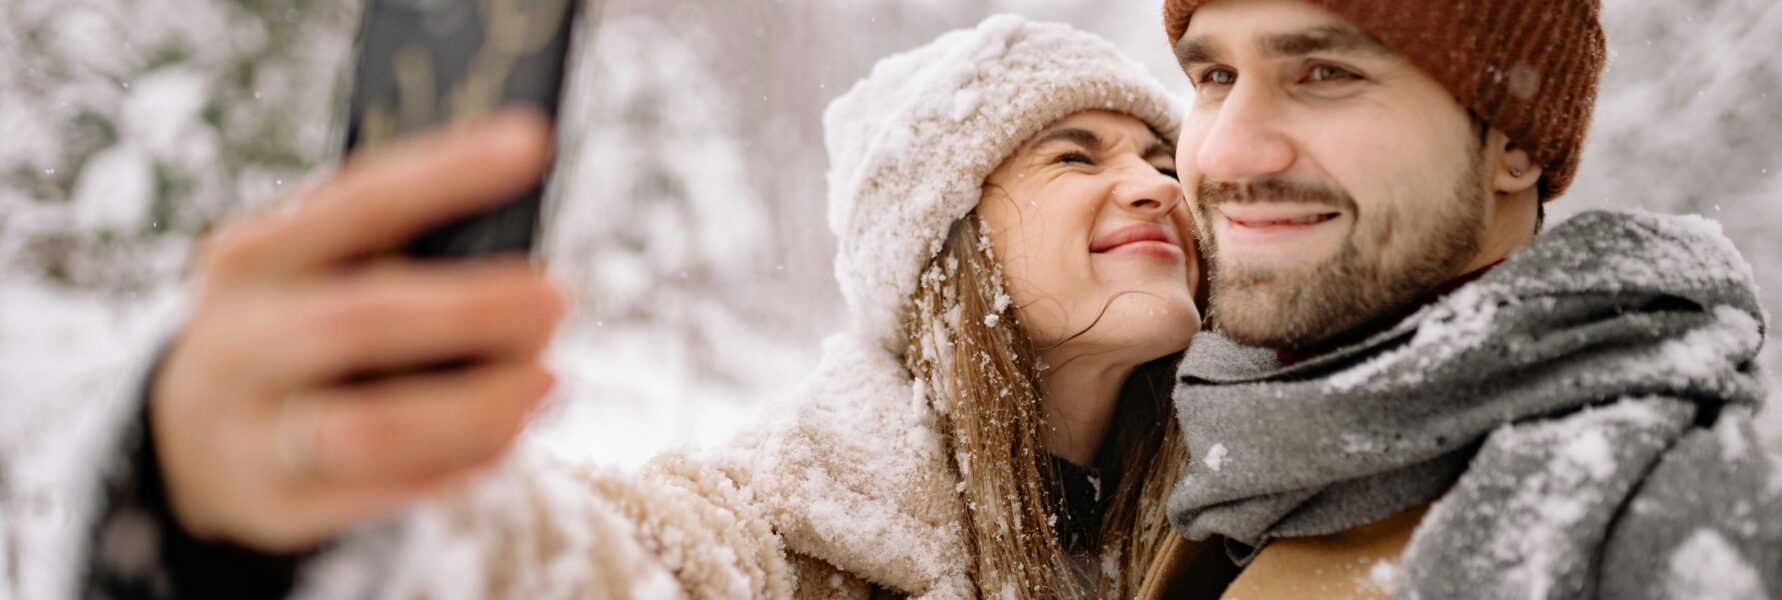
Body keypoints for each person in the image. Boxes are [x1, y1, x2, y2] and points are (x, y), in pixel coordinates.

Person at [78, 15, 1205, 599]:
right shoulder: (805, 526)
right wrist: (223, 508)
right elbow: (584, 564)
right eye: (1076, 154)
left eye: (1164, 153)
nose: (1156, 182)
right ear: (947, 242)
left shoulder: (1236, 509)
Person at [1138, 0, 1782, 598]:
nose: (1228, 152)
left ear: (1514, 144)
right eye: (1216, 79)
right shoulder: (1222, 467)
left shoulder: (1703, 539)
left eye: (1326, 73)